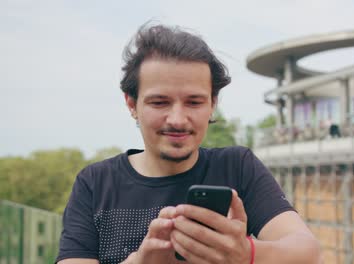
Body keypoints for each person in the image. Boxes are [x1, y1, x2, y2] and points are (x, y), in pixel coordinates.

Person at [56, 23, 322, 264]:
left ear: (212, 104)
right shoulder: (95, 182)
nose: (178, 119)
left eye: (194, 102)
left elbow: (307, 252)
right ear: (131, 104)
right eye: (159, 102)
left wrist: (247, 253)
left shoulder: (238, 166)